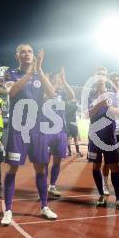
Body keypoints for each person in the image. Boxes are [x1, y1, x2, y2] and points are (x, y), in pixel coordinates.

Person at [1, 45, 57, 226]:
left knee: (41, 167)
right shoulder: (10, 73)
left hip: (37, 129)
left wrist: (39, 70)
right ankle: (8, 210)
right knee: (12, 168)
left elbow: (51, 93)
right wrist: (29, 73)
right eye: (22, 51)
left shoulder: (39, 73)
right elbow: (12, 91)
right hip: (18, 129)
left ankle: (44, 206)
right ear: (16, 55)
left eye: (29, 51)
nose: (26, 54)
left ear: (33, 55)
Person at [87, 70, 119, 210]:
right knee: (96, 166)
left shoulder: (113, 94)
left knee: (114, 166)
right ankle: (101, 195)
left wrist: (109, 106)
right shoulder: (91, 95)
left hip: (109, 136)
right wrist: (100, 104)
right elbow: (89, 113)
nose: (101, 76)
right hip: (94, 136)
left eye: (103, 74)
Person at [46, 67, 75, 198]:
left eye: (59, 79)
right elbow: (49, 95)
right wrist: (54, 84)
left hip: (61, 131)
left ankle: (52, 185)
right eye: (55, 79)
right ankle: (42, 185)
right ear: (49, 80)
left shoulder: (62, 94)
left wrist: (64, 80)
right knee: (44, 161)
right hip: (45, 131)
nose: (58, 82)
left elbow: (72, 96)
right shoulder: (44, 91)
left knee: (57, 161)